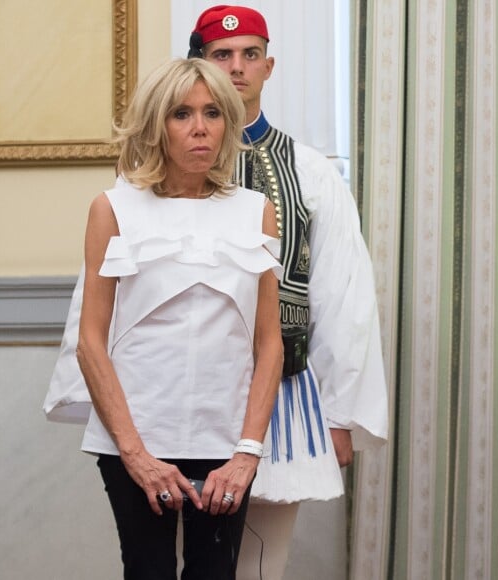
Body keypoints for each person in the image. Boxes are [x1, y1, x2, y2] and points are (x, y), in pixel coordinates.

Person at [49, 57, 284, 579]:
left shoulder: (255, 210)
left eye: (212, 113)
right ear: (157, 123)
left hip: (227, 442)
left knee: (214, 573)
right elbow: (91, 342)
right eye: (181, 114)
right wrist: (135, 454)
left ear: (228, 122)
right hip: (134, 438)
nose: (200, 128)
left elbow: (269, 343)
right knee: (148, 572)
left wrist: (247, 453)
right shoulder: (112, 209)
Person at [186, 6, 389, 579]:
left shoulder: (309, 170)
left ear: (269, 65)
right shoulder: (166, 164)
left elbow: (343, 293)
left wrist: (341, 413)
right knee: (178, 557)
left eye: (250, 54)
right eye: (222, 55)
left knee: (259, 565)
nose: (237, 67)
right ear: (200, 62)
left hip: (283, 396)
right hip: (184, 392)